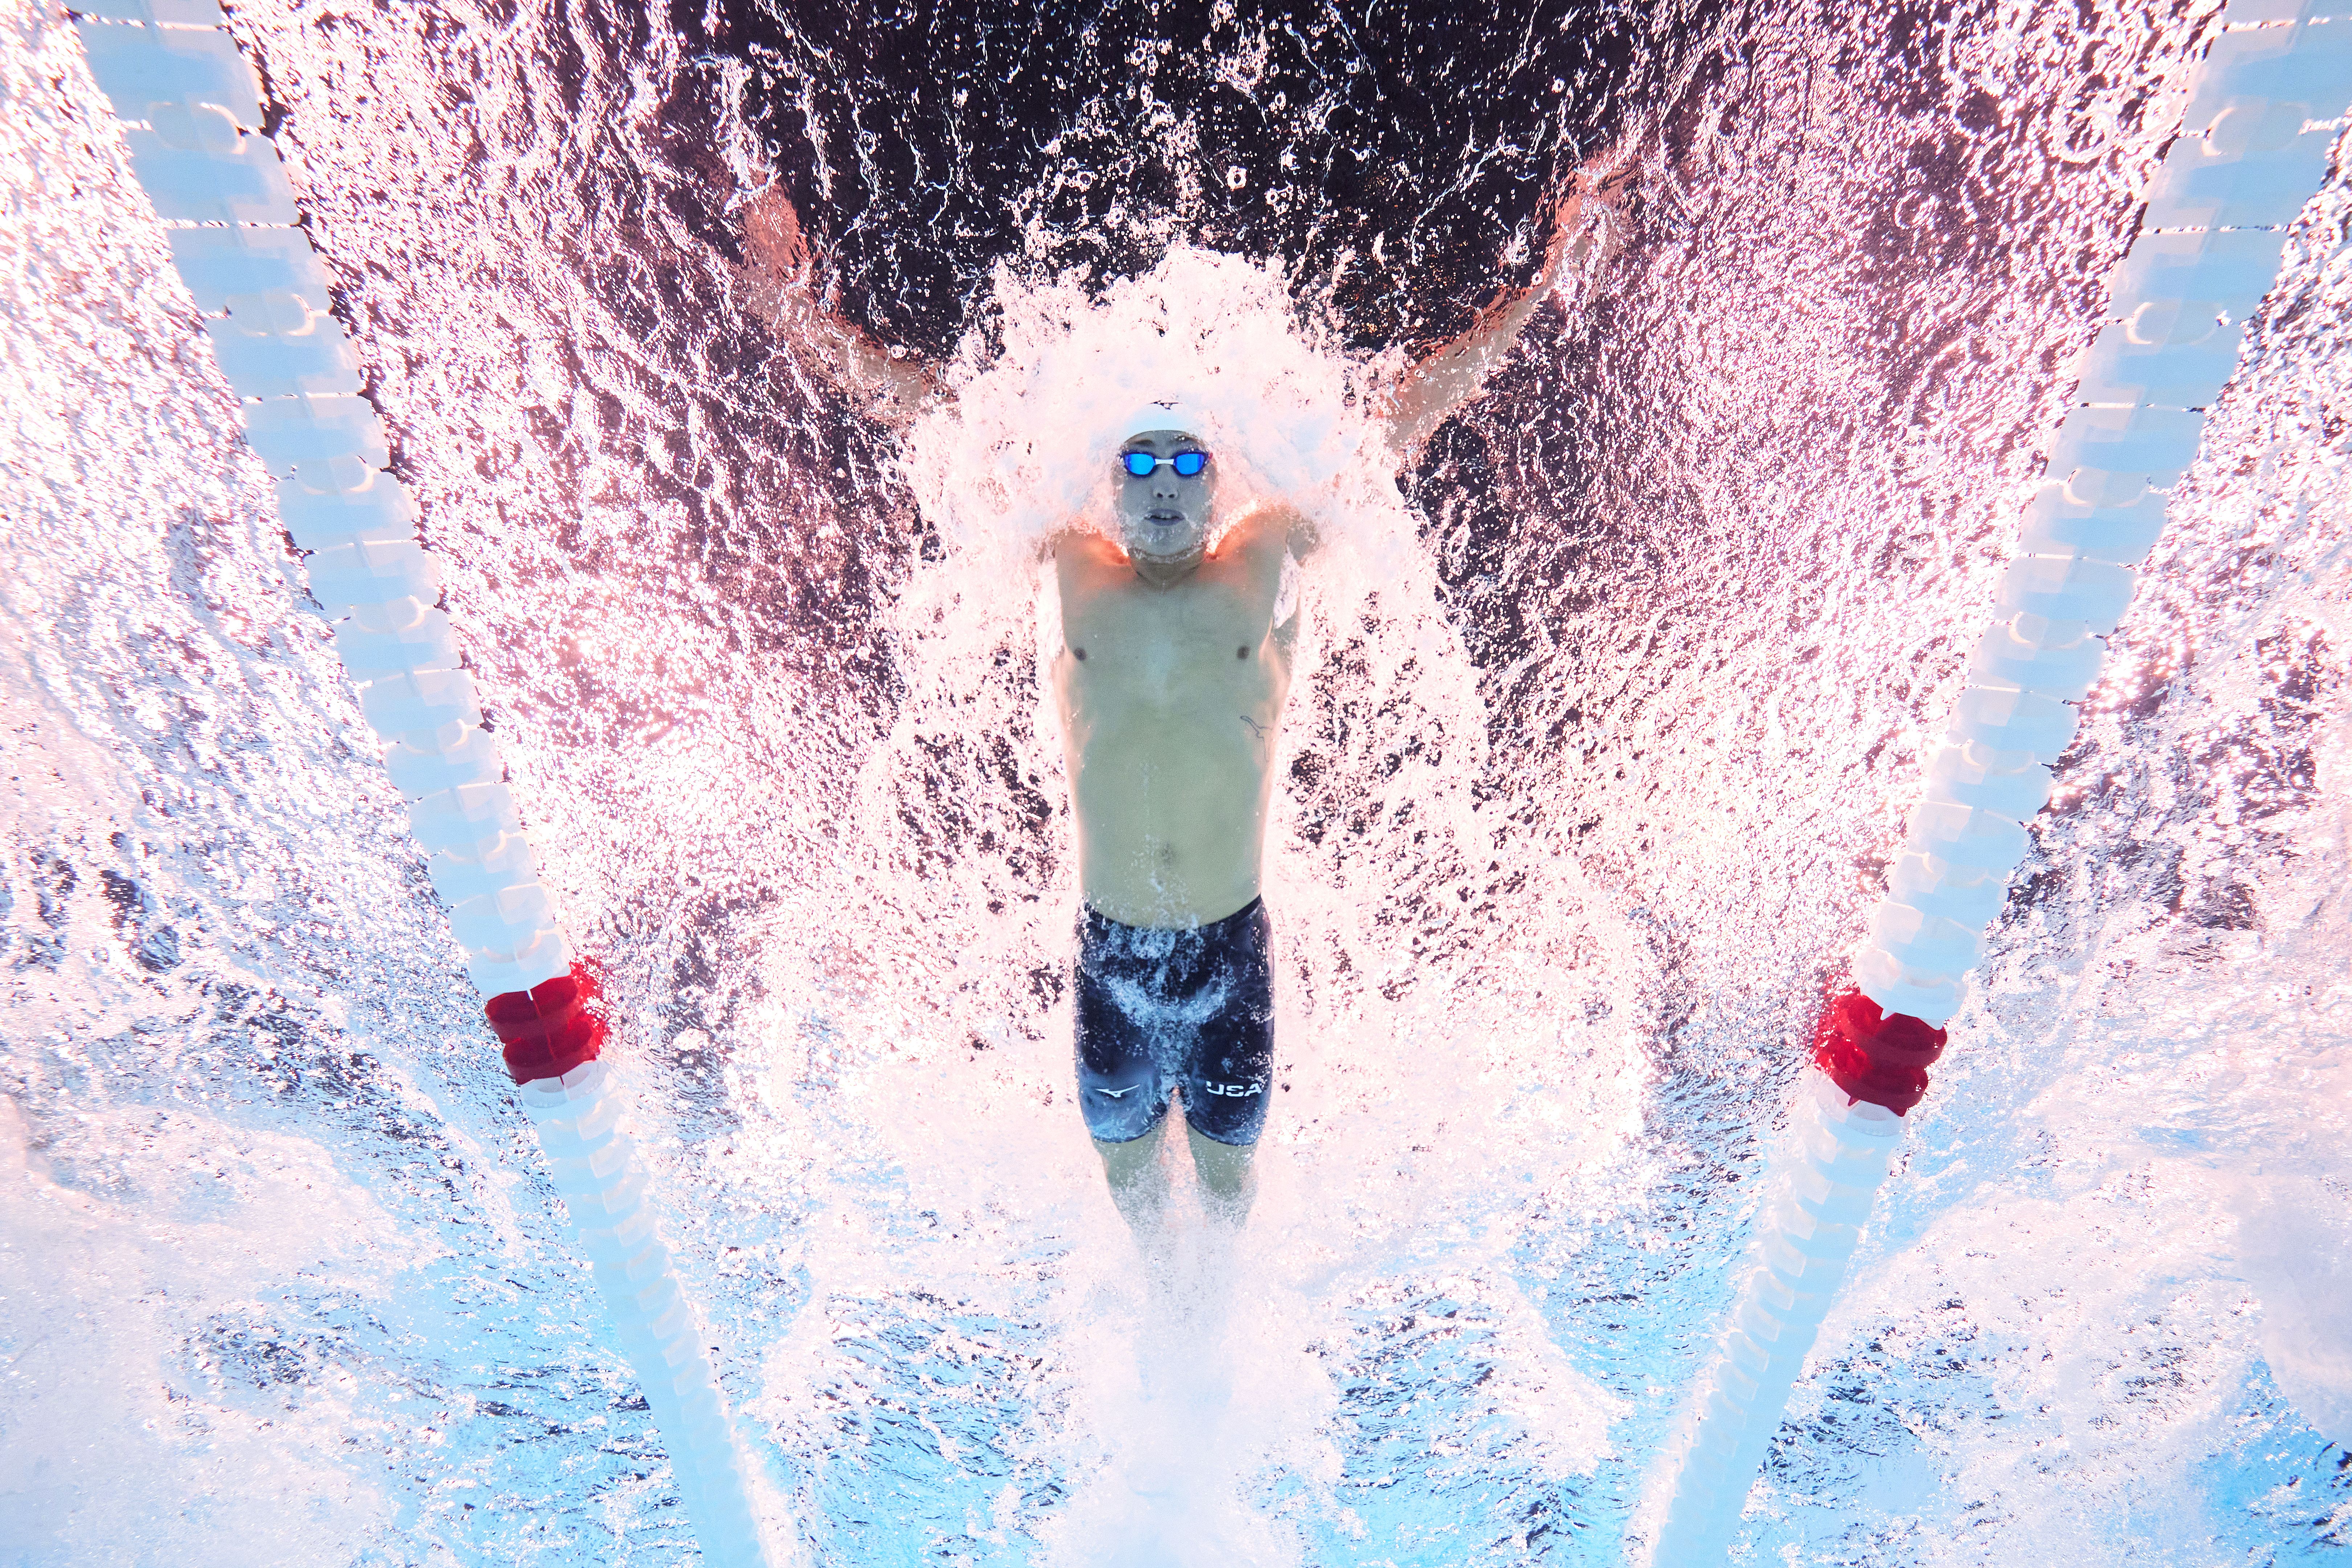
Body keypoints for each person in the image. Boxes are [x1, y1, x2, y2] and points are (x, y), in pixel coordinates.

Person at [741, 178, 1598, 1236]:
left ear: (1216, 479)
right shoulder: (1068, 563)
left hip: (1230, 955)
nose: (1158, 478)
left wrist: (1544, 280)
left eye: (1184, 460)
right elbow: (934, 422)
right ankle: (1155, 1344)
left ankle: (1232, 1340)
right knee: (1136, 1201)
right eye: (1136, 460)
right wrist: (798, 317)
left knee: (1230, 1194)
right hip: (1111, 956)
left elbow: (1405, 416)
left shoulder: (1264, 552)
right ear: (1108, 482)